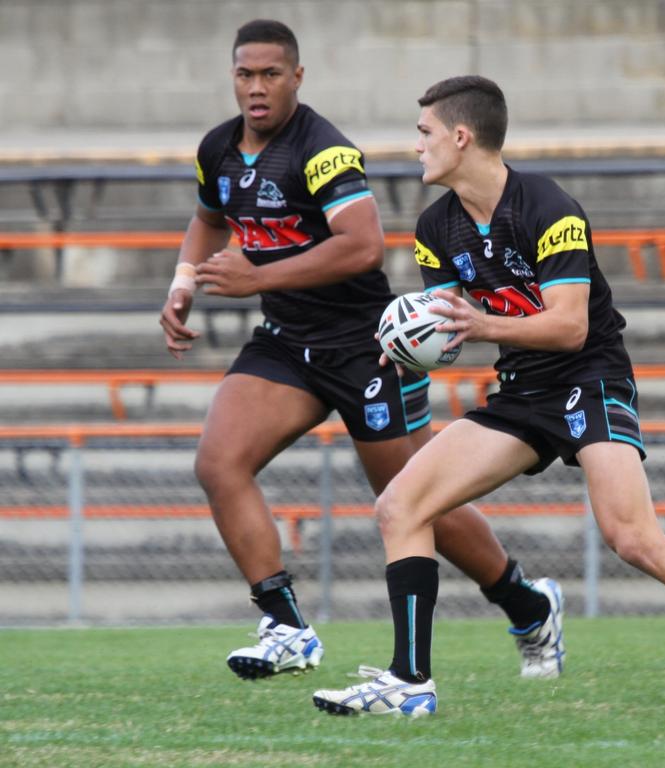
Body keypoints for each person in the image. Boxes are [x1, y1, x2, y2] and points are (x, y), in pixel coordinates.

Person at [311, 76, 665, 718]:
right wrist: (406, 340)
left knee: (633, 538)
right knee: (399, 506)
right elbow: (448, 319)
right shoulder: (436, 225)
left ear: (461, 138)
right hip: (522, 390)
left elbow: (569, 326)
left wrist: (483, 326)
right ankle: (409, 683)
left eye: (425, 133)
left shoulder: (549, 207)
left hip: (590, 378)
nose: (417, 146)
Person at [158, 22, 564, 682]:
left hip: (364, 349)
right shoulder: (219, 149)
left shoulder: (324, 153)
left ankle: (527, 605)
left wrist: (256, 277)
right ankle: (286, 625)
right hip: (287, 343)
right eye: (244, 75)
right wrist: (183, 284)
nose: (256, 88)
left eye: (270, 75)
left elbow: (363, 245)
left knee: (411, 497)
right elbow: (209, 216)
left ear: (297, 78)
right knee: (218, 462)